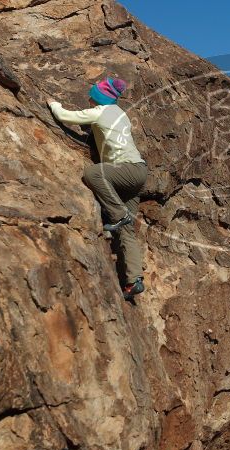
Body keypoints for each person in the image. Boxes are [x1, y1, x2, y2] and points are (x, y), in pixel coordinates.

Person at [47, 77, 147, 300]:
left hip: (125, 170)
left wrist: (53, 103)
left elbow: (65, 116)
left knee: (93, 173)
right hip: (138, 172)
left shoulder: (100, 111)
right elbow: (108, 132)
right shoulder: (121, 114)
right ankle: (134, 280)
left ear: (100, 98)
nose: (90, 101)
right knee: (127, 230)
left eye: (92, 97)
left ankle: (119, 214)